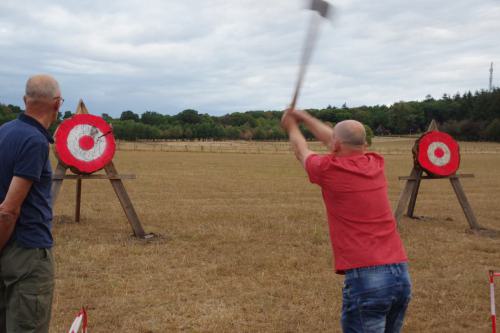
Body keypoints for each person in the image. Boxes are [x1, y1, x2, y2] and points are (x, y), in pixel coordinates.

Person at [281, 109, 411, 333]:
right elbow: (336, 140)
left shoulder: (328, 169)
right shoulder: (375, 163)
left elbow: (301, 151)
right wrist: (303, 116)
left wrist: (292, 126)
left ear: (336, 144)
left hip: (367, 279)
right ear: (365, 145)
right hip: (400, 276)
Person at [0, 74, 62, 333]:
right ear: (57, 104)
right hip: (26, 252)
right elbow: (9, 210)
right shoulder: (35, 141)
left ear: (25, 100)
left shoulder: (4, 131)